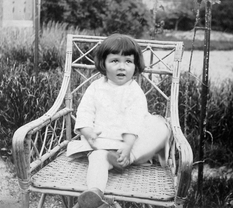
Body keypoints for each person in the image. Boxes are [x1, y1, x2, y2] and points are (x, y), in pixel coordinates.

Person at [71, 33, 171, 208]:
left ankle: (126, 159)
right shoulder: (96, 88)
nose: (121, 67)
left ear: (135, 65)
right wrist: (87, 130)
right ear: (103, 63)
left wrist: (128, 145)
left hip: (131, 146)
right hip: (102, 144)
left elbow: (136, 120)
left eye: (128, 61)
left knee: (160, 126)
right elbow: (85, 110)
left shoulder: (134, 91)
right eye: (115, 61)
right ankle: (95, 194)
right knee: (97, 159)